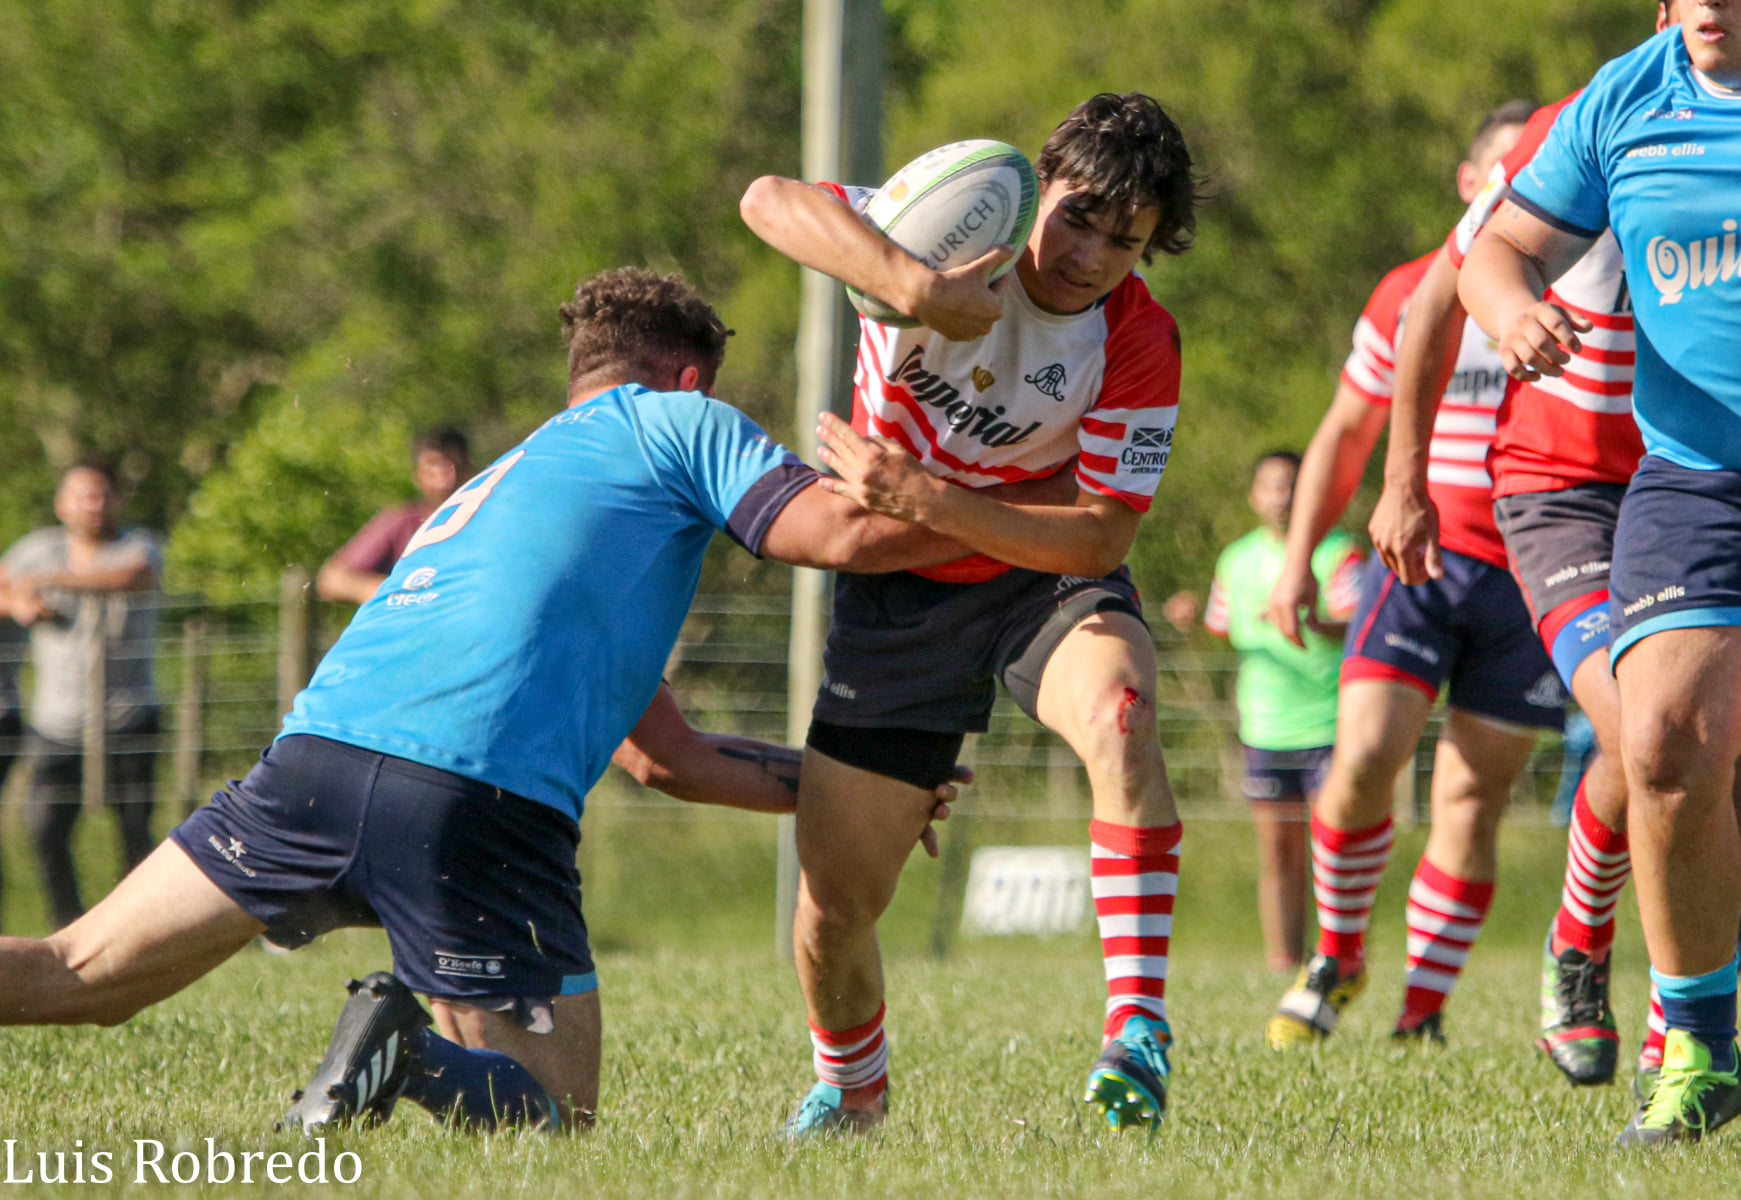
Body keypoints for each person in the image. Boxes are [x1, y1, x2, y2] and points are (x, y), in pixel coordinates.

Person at [0, 268, 1034, 1133]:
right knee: (555, 1111)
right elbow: (839, 534)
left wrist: (856, 792)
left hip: (310, 763)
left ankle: (401, 1046)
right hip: (471, 797)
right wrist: (1033, 517)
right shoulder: (678, 420)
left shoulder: (506, 483)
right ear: (688, 378)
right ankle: (407, 1056)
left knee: (75, 969)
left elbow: (665, 756)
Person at [740, 91, 1199, 1133]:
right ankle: (850, 1087)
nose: (1089, 256)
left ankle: (1136, 1023)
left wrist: (928, 501)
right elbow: (766, 199)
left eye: (1125, 242)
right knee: (831, 913)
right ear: (1041, 186)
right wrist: (908, 287)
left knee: (1121, 711)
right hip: (899, 600)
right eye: (1078, 218)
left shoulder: (1137, 337)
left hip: (1036, 573)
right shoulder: (948, 222)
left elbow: (1099, 537)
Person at [1366, 1, 1681, 1087]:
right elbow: (1437, 300)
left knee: (1695, 749)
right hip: (1563, 489)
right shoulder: (1583, 120)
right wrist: (1402, 481)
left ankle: (1648, 987)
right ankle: (1615, 974)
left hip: (1695, 482)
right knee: (1642, 726)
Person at [1458, 1, 1741, 1145]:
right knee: (1658, 737)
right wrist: (1512, 311)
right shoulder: (1625, 95)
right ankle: (1698, 1053)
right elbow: (1488, 255)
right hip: (1686, 480)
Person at [1261, 102, 1570, 1051]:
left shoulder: (1588, 287)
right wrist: (1298, 559)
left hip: (1534, 575)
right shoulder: (1409, 291)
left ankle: (1421, 1014)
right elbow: (1345, 430)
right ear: (1468, 183)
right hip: (1419, 559)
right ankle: (1336, 956)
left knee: (1469, 800)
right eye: (1499, 170)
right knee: (1360, 758)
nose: (1515, 185)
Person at [1202, 451, 1362, 973]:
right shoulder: (1235, 559)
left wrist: (1309, 620)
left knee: (1333, 849)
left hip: (1330, 721)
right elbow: (1219, 625)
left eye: (1292, 485)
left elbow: (1361, 623)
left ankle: (1337, 959)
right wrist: (1186, 616)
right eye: (1271, 486)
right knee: (1276, 852)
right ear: (1254, 496)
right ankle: (1282, 962)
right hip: (1264, 726)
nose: (1282, 497)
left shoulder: (1338, 551)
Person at [2, 463, 164, 930]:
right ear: (61, 505)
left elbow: (132, 576)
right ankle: (68, 926)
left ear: (117, 501)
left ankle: (137, 929)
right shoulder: (37, 547)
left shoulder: (139, 545)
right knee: (44, 830)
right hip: (57, 722)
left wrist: (46, 580)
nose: (94, 505)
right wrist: (19, 602)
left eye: (102, 495)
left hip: (130, 715)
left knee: (135, 830)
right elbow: (6, 584)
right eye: (83, 496)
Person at [315, 428, 472, 605]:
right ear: (418, 474)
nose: (445, 477)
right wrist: (389, 593)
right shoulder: (403, 521)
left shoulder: (482, 520)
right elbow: (332, 579)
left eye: (454, 465)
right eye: (434, 465)